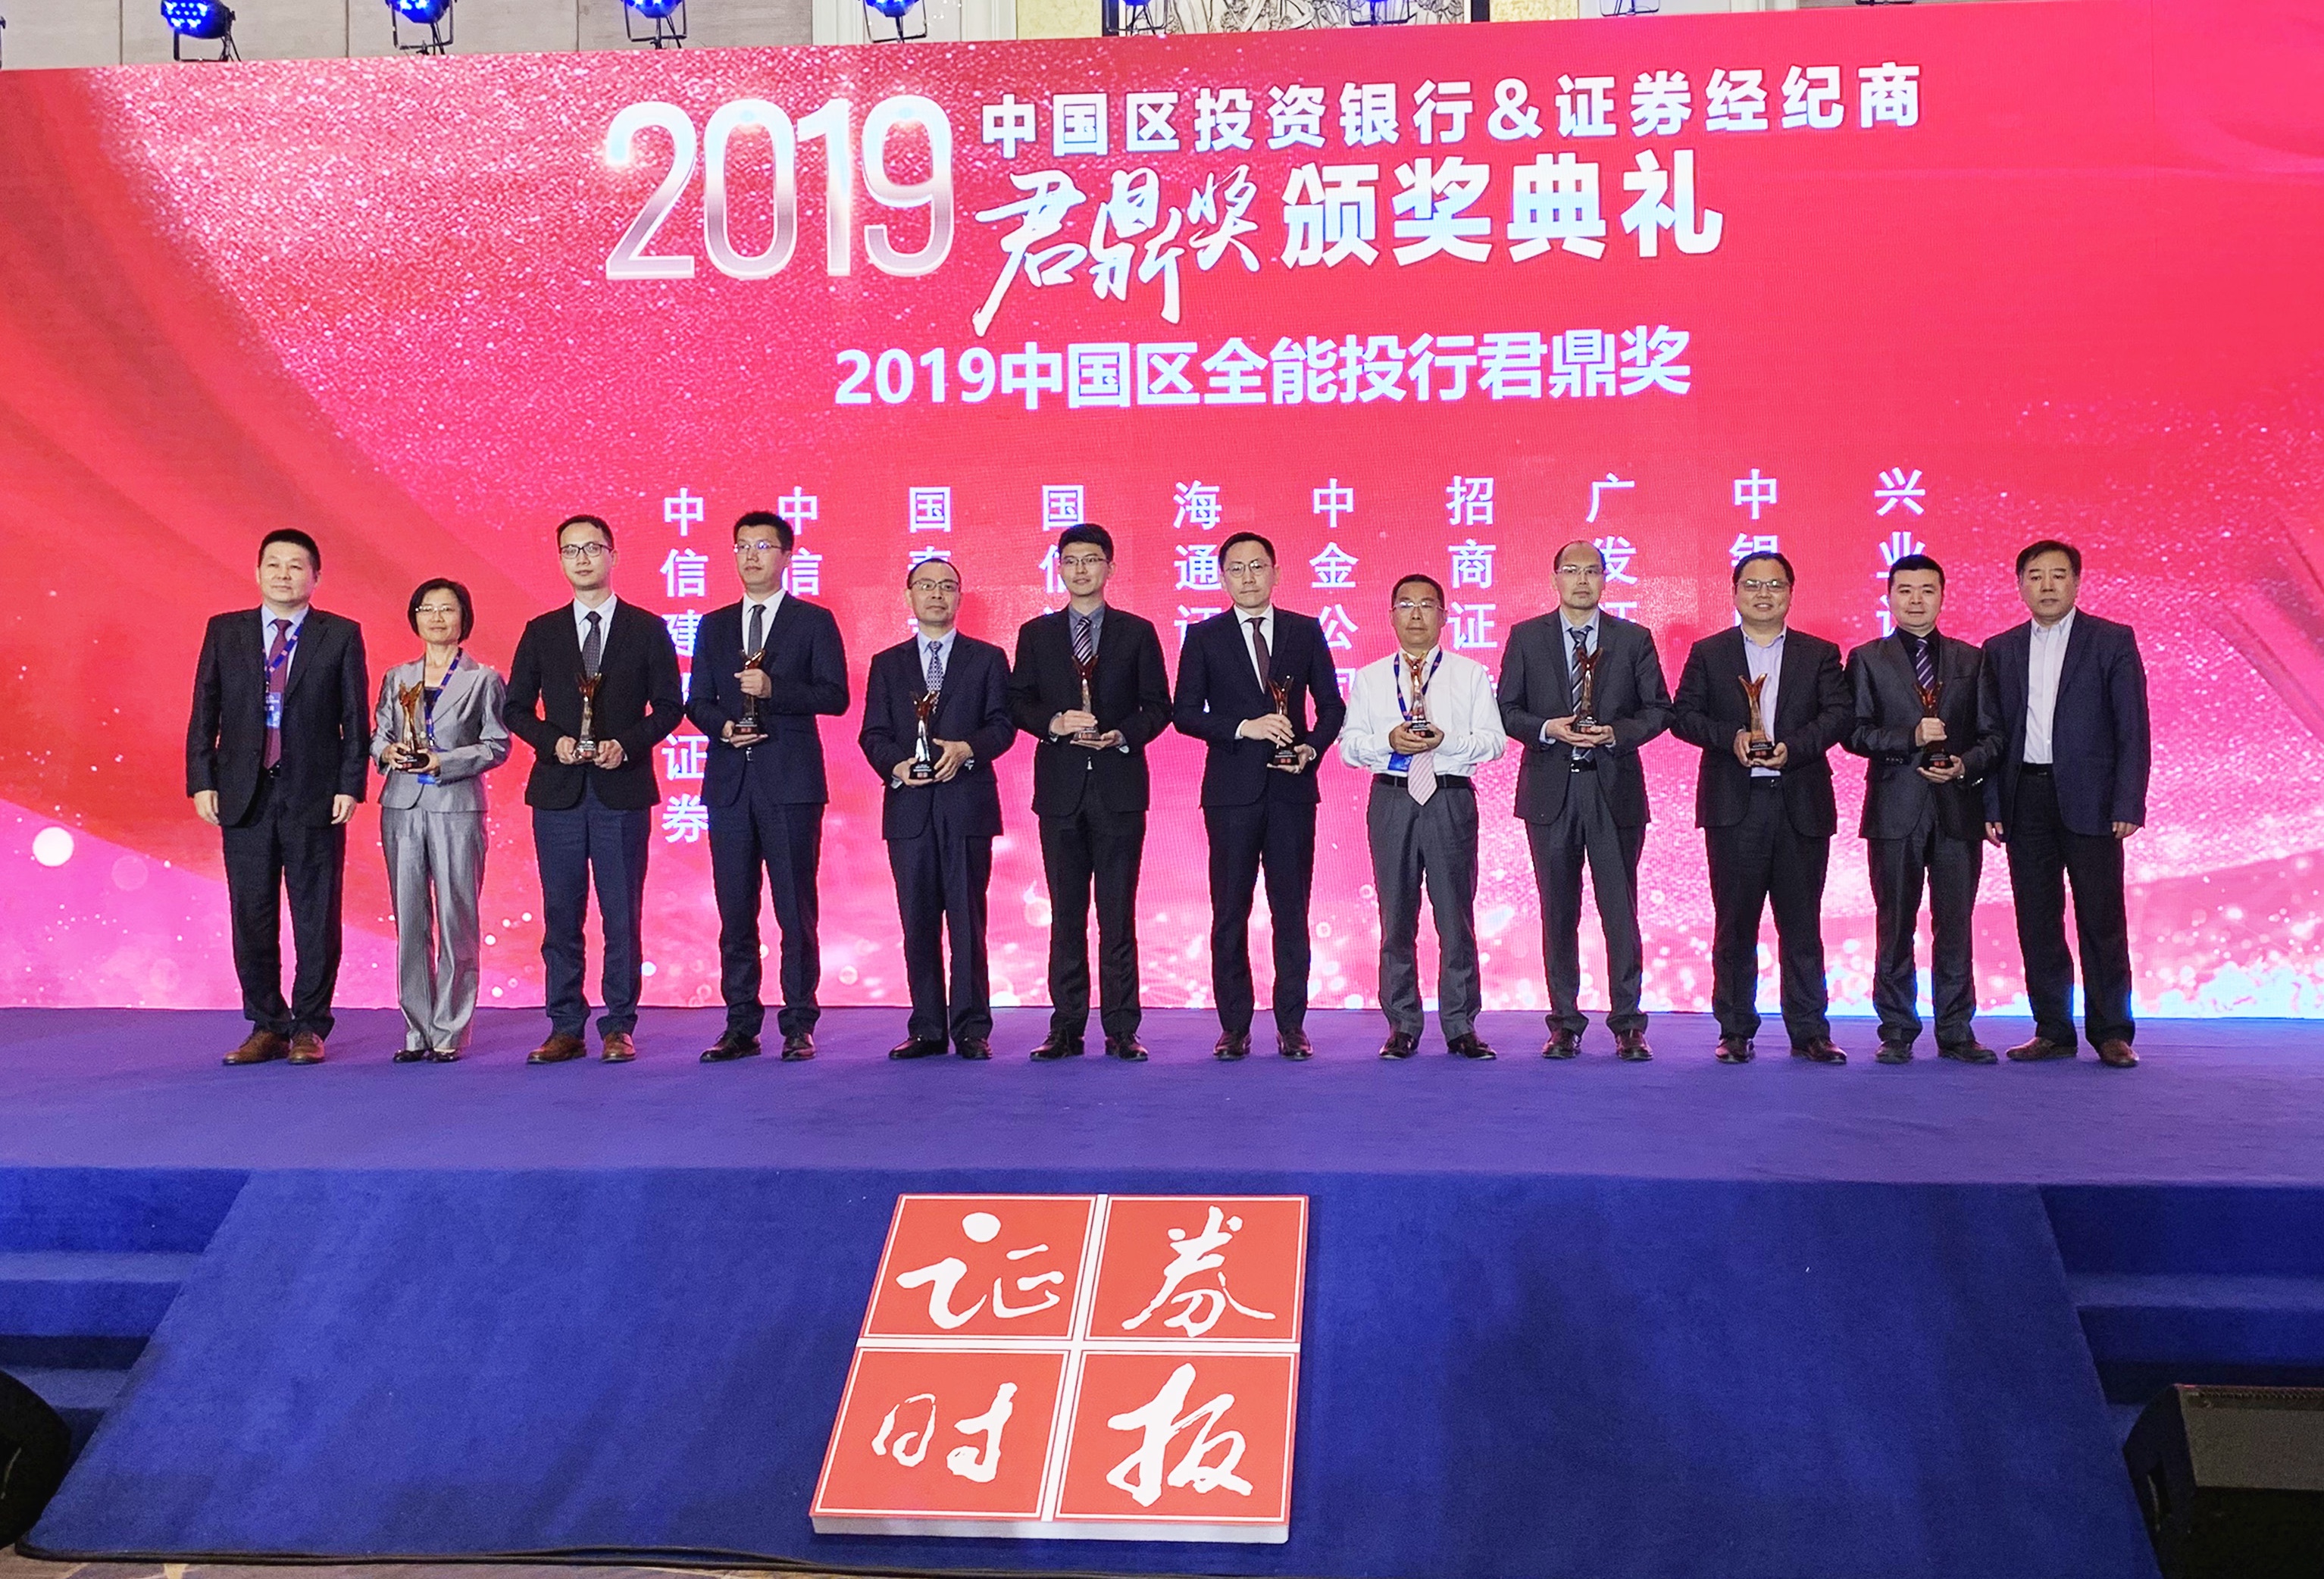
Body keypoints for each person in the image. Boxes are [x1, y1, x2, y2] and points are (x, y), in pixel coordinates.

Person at [504, 514, 683, 1065]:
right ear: (560, 560)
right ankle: (565, 1026)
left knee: (621, 914)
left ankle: (619, 1025)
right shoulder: (542, 631)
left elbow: (670, 707)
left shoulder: (646, 628)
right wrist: (552, 742)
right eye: (570, 550)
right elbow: (515, 708)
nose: (582, 559)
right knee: (561, 914)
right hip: (557, 792)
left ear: (613, 555)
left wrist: (626, 744)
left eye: (592, 548)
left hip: (620, 790)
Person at [186, 528, 370, 1066]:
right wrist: (202, 779)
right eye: (274, 564)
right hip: (243, 794)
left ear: (316, 577)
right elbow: (205, 709)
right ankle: (267, 1024)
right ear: (258, 572)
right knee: (252, 913)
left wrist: (350, 784)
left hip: (314, 794)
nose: (284, 574)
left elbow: (354, 717)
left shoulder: (339, 634)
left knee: (316, 914)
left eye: (296, 566)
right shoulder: (226, 630)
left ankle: (310, 1025)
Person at [1670, 552, 1853, 1065]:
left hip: (1800, 804)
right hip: (1735, 806)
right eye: (1752, 584)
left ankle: (1810, 1031)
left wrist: (1793, 748)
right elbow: (1683, 715)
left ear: (1791, 592)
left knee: (1802, 925)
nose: (1763, 594)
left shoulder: (1819, 654)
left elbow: (1838, 714)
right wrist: (1729, 738)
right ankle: (1734, 1030)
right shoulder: (1710, 653)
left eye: (1774, 584)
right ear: (1734, 593)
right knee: (1735, 924)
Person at [1171, 533, 1347, 1061]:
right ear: (1222, 577)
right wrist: (1243, 727)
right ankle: (1233, 1027)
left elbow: (1332, 706)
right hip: (1231, 794)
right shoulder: (1204, 636)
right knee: (1230, 912)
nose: (1248, 577)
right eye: (1237, 569)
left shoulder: (1304, 630)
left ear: (1275, 572)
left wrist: (1311, 748)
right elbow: (1184, 713)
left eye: (1257, 567)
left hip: (1291, 791)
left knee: (1291, 911)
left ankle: (1292, 1026)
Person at [1497, 541, 1672, 1061]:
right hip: (1550, 791)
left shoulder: (1632, 639)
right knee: (1558, 911)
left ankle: (1628, 1023)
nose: (1581, 580)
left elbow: (1659, 710)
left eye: (1591, 571)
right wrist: (1547, 728)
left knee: (1620, 910)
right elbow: (1505, 710)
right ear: (1554, 578)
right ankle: (1564, 1023)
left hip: (1612, 789)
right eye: (1571, 571)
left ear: (1604, 579)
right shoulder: (1527, 637)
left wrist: (1615, 733)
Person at [685, 511, 849, 1063]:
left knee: (794, 909)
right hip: (729, 783)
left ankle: (799, 1021)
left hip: (791, 783)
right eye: (741, 546)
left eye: (762, 546)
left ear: (786, 556)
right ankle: (740, 1024)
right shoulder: (713, 625)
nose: (751, 556)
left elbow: (835, 696)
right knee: (735, 910)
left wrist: (774, 689)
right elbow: (697, 700)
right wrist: (723, 727)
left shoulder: (813, 621)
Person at [1978, 540, 2150, 1068]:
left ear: (2076, 582)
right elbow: (1992, 734)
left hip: (2092, 799)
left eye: (2057, 575)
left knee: (2102, 919)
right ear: (2019, 586)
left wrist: (2128, 801)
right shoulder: (2000, 649)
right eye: (2035, 576)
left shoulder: (2111, 640)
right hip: (2024, 796)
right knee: (2036, 919)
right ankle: (2052, 1029)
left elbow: (2132, 727)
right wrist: (1991, 802)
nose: (2047, 585)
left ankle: (2111, 1032)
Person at [1006, 524, 1172, 1062]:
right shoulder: (1036, 634)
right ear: (1058, 568)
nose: (1081, 569)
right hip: (1060, 792)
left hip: (1118, 789)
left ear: (1110, 568)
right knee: (1065, 915)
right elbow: (1018, 702)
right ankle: (1066, 1027)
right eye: (1071, 560)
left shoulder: (1136, 632)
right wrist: (1053, 723)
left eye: (1092, 560)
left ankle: (1122, 1028)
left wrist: (1121, 734)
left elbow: (1158, 706)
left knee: (1117, 915)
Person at [1339, 574, 1507, 1061]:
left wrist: (1445, 742)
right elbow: (1349, 747)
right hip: (1391, 798)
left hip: (1449, 797)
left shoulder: (1470, 675)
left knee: (1456, 917)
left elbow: (1494, 742)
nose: (1416, 614)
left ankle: (1460, 1025)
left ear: (1444, 616)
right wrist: (1388, 741)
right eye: (1406, 605)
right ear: (1391, 616)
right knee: (1395, 917)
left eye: (1427, 605)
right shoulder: (1370, 678)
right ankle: (1402, 1025)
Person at [1842, 554, 2000, 1065]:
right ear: (1888, 597)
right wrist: (1908, 738)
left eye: (1927, 590)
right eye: (1905, 590)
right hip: (1894, 808)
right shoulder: (1867, 659)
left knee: (1955, 923)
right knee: (1894, 923)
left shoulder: (1972, 659)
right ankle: (1896, 1029)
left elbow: (1993, 735)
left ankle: (1956, 1030)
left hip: (1957, 808)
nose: (1916, 600)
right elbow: (1853, 733)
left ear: (1942, 596)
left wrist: (1963, 765)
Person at [859, 558, 1017, 1060]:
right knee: (918, 922)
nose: (936, 595)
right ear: (908, 596)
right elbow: (872, 733)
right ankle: (927, 1027)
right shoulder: (887, 664)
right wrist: (897, 765)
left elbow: (1003, 726)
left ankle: (971, 1028)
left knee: (968, 922)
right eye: (926, 586)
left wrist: (968, 749)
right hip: (909, 810)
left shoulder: (987, 659)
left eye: (947, 587)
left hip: (967, 806)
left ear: (959, 597)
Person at [370, 578, 510, 1063]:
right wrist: (387, 751)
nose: (436, 618)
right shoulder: (397, 676)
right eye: (426, 609)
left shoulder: (483, 680)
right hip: (401, 806)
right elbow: (378, 734)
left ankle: (450, 1028)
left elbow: (497, 745)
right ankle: (417, 1029)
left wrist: (443, 762)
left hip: (457, 806)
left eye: (446, 609)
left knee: (456, 919)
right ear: (414, 617)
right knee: (410, 921)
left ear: (463, 618)